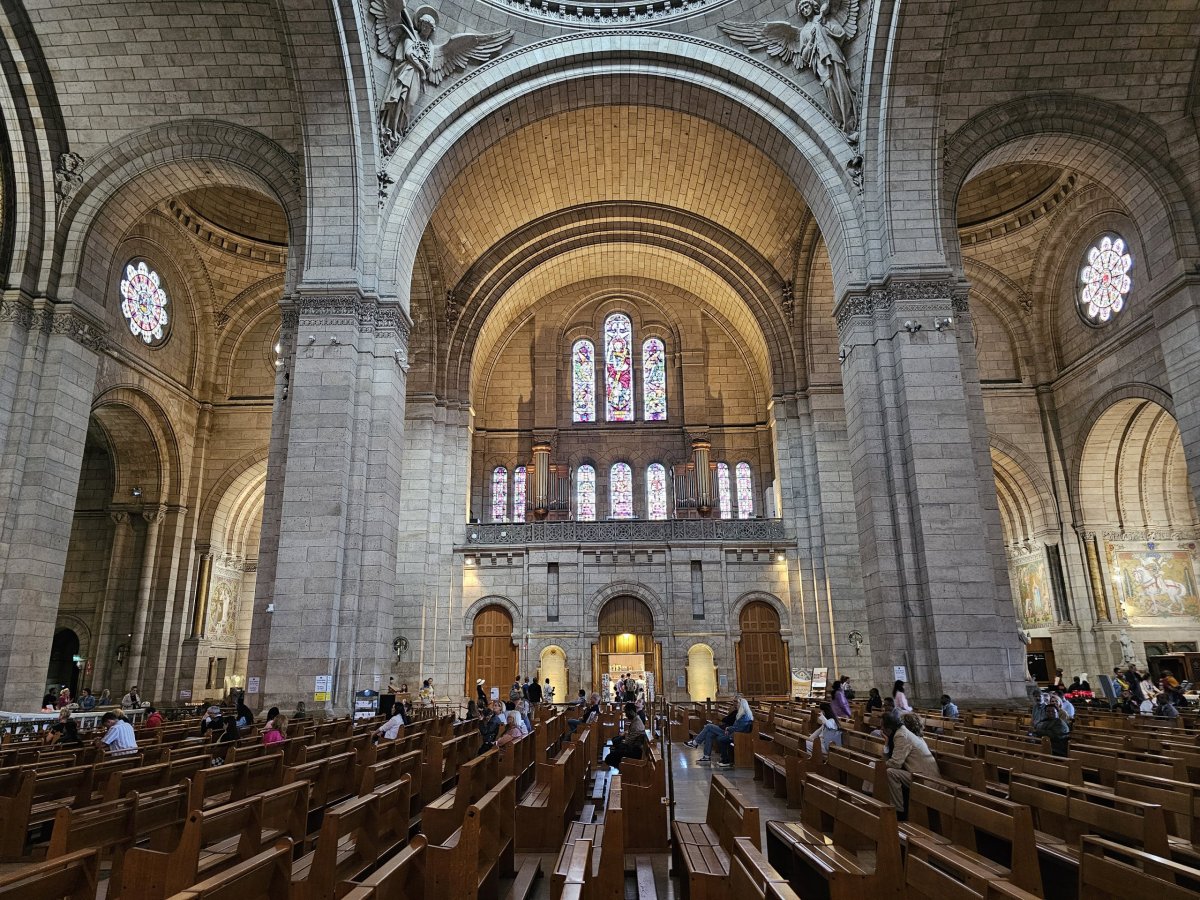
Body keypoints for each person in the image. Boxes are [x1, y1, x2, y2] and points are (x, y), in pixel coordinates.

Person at [882, 712, 939, 815]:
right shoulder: (902, 733)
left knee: (891, 772)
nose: (881, 731)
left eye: (882, 728)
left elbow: (895, 763)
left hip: (925, 779)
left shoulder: (901, 735)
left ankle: (898, 811)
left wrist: (880, 765)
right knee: (882, 768)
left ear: (888, 729)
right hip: (918, 774)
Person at [714, 695, 754, 768]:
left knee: (721, 739)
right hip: (737, 734)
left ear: (742, 705)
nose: (737, 705)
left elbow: (739, 729)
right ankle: (726, 758)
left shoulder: (744, 716)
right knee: (720, 737)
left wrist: (728, 729)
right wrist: (729, 728)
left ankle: (725, 760)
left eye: (738, 704)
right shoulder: (741, 714)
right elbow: (736, 727)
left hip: (740, 736)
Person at [604, 703, 647, 770]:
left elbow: (629, 742)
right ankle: (621, 769)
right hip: (633, 746)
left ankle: (623, 770)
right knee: (616, 745)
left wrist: (623, 740)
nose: (626, 715)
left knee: (610, 758)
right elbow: (630, 738)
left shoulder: (636, 723)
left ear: (631, 712)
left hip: (635, 751)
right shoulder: (636, 719)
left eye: (626, 712)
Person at [1032, 692, 1071, 757]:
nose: (1050, 713)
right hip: (1045, 744)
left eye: (1053, 711)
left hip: (1057, 747)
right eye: (1048, 711)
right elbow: (1036, 727)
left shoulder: (1060, 722)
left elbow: (1055, 735)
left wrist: (1037, 731)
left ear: (1057, 713)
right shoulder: (1045, 720)